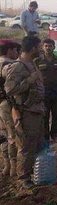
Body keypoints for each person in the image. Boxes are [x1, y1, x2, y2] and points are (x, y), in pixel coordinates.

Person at [3, 36, 45, 189]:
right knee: (26, 146)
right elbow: (10, 90)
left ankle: (33, 173)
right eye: (39, 47)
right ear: (33, 48)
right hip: (27, 112)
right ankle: (24, 178)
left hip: (37, 111)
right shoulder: (18, 66)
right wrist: (29, 80)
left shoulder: (31, 64)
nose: (41, 49)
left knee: (36, 144)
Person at [35, 39, 57, 142]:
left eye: (50, 46)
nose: (48, 48)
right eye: (46, 46)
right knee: (44, 115)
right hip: (43, 93)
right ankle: (45, 137)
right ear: (42, 47)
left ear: (54, 47)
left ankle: (55, 134)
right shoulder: (37, 61)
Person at [0, 41, 20, 178]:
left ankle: (6, 165)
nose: (17, 53)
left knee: (2, 136)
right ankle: (13, 167)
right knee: (12, 135)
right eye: (15, 50)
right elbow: (12, 87)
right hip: (7, 104)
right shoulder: (8, 65)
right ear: (9, 50)